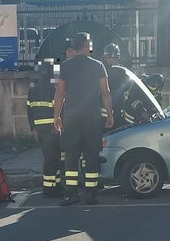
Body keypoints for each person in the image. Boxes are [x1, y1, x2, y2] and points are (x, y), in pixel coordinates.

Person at [53, 32, 113, 206]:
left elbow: (60, 93)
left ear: (74, 47)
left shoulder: (65, 66)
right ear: (86, 46)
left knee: (71, 156)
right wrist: (110, 114)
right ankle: (91, 194)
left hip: (71, 118)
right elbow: (105, 92)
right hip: (92, 118)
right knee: (91, 156)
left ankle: (71, 194)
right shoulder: (98, 65)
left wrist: (56, 116)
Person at [27, 59, 63, 198]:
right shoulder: (52, 87)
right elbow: (57, 106)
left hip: (40, 128)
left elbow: (29, 109)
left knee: (51, 157)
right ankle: (49, 188)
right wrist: (58, 124)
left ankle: (55, 184)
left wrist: (33, 127)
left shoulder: (33, 88)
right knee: (52, 158)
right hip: (52, 127)